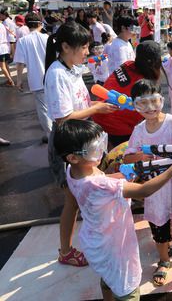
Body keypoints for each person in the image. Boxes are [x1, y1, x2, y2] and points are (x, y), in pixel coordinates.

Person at [53, 119, 172, 300]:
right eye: (94, 148)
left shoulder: (74, 171)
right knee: (127, 289)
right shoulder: (101, 185)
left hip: (96, 241)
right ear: (73, 157)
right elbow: (145, 190)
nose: (101, 151)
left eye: (101, 143)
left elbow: (101, 182)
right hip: (116, 248)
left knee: (107, 277)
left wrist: (123, 175)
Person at [44, 21, 118, 267]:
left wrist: (98, 104)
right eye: (84, 47)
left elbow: (79, 103)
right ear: (65, 46)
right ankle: (65, 251)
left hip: (82, 137)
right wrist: (96, 108)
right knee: (73, 199)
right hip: (68, 144)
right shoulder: (56, 73)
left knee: (87, 193)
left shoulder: (72, 69)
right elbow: (62, 117)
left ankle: (94, 237)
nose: (87, 52)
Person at [123, 80, 172, 290]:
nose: (150, 108)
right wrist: (142, 155)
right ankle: (164, 259)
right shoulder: (139, 130)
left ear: (162, 100)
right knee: (159, 227)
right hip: (156, 188)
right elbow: (127, 158)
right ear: (135, 106)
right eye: (143, 103)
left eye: (154, 101)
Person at [92, 41, 162, 148]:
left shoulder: (127, 64)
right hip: (117, 127)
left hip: (98, 114)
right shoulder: (144, 84)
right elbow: (150, 114)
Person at [14, 13, 52, 142]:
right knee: (56, 105)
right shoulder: (48, 38)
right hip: (52, 78)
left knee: (43, 109)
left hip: (36, 80)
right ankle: (58, 133)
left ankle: (50, 135)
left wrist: (18, 80)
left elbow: (20, 63)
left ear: (26, 24)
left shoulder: (23, 41)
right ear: (40, 24)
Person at [0, 17, 14, 86]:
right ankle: (9, 79)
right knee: (5, 65)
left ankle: (10, 81)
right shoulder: (3, 25)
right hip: (6, 47)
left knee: (2, 67)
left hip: (1, 48)